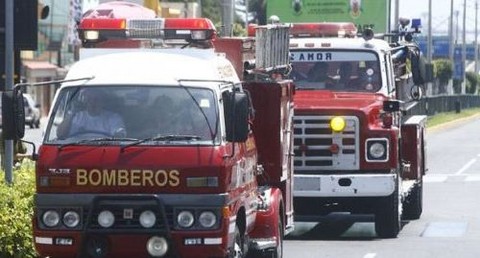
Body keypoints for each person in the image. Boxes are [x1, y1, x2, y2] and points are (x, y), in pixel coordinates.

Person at [57, 89, 126, 139]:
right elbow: (60, 135)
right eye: (89, 99)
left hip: (105, 150)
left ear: (102, 101)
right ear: (85, 101)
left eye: (96, 99)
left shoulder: (113, 118)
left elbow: (119, 135)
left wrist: (118, 134)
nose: (93, 103)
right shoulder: (76, 117)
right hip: (78, 150)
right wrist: (71, 113)